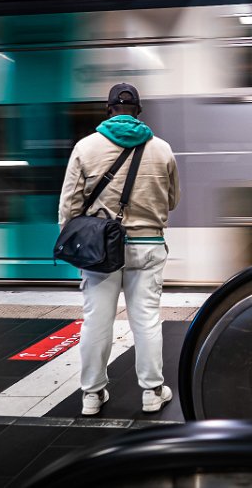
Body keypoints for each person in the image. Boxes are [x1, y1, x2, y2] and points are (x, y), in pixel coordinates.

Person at [59, 82, 180, 415]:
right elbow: (172, 200)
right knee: (147, 320)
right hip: (148, 246)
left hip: (99, 248)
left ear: (108, 110)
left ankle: (92, 395)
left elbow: (68, 206)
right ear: (138, 112)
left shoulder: (85, 147)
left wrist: (77, 243)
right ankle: (152, 392)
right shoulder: (162, 149)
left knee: (97, 322)